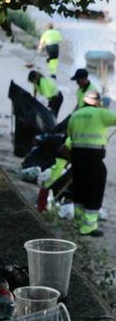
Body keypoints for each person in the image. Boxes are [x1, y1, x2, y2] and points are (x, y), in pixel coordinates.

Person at [66, 91, 116, 237]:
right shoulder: (100, 113)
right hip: (93, 159)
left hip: (76, 158)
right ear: (97, 102)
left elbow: (70, 134)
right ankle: (88, 227)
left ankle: (78, 221)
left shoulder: (75, 115)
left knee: (80, 189)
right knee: (95, 191)